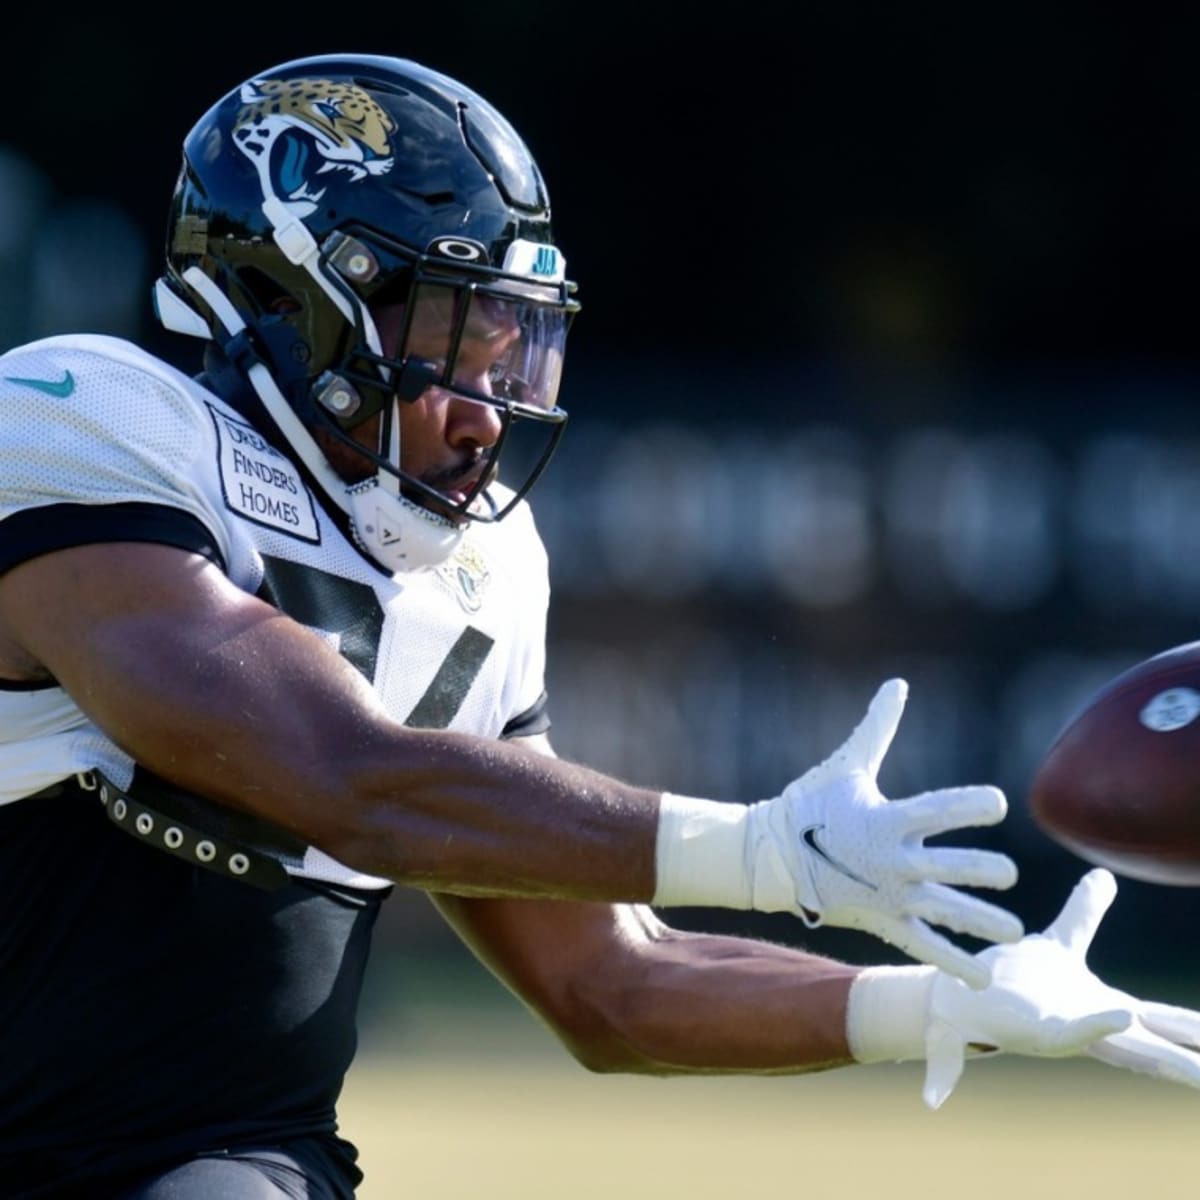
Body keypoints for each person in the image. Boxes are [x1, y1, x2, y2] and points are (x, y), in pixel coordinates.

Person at [0, 52, 1196, 1199]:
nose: (490, 410)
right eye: (451, 344)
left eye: (513, 345)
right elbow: (347, 778)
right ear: (297, 301)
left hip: (209, 1160)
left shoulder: (477, 578)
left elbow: (612, 979)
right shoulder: (85, 427)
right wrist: (768, 850)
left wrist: (942, 1007)